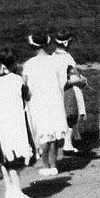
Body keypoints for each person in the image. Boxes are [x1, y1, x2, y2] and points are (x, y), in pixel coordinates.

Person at [0, 48, 37, 198]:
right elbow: (28, 96)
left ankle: (9, 189)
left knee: (5, 157)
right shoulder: (16, 80)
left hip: (0, 124)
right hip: (15, 123)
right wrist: (25, 82)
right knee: (16, 158)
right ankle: (17, 192)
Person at [22, 32, 67, 176]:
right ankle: (54, 165)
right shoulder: (56, 61)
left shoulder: (29, 65)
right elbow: (62, 82)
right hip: (54, 100)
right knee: (53, 133)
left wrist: (26, 97)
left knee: (44, 133)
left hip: (38, 102)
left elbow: (24, 87)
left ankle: (46, 165)